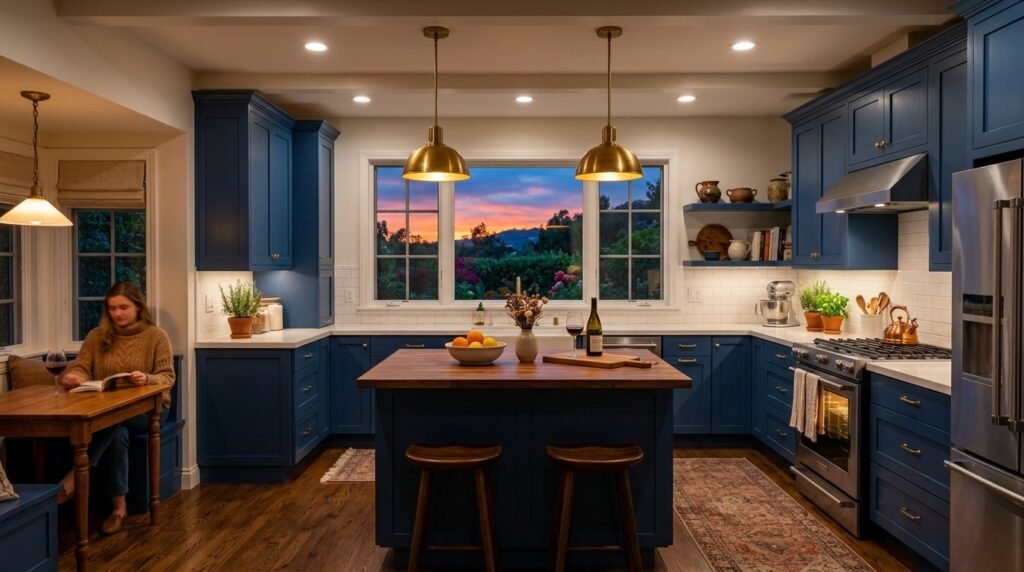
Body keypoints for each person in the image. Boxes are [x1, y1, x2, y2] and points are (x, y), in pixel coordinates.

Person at [58, 281, 175, 535]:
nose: (117, 313)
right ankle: (119, 509)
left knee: (115, 421)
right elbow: (81, 366)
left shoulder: (156, 336)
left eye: (124, 307)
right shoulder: (96, 336)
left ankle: (73, 481)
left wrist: (147, 378)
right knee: (117, 429)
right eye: (112, 308)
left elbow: (167, 377)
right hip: (109, 410)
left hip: (150, 411)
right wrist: (74, 376)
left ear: (138, 308)